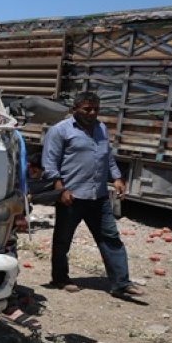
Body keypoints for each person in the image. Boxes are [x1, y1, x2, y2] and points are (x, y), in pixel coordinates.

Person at [41, 91, 144, 300]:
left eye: (96, 109)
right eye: (87, 109)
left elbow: (108, 157)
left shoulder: (101, 128)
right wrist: (61, 189)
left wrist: (116, 177)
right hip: (72, 196)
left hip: (98, 195)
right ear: (75, 109)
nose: (92, 113)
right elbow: (50, 163)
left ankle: (121, 283)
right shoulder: (60, 130)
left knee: (110, 237)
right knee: (63, 240)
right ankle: (60, 278)